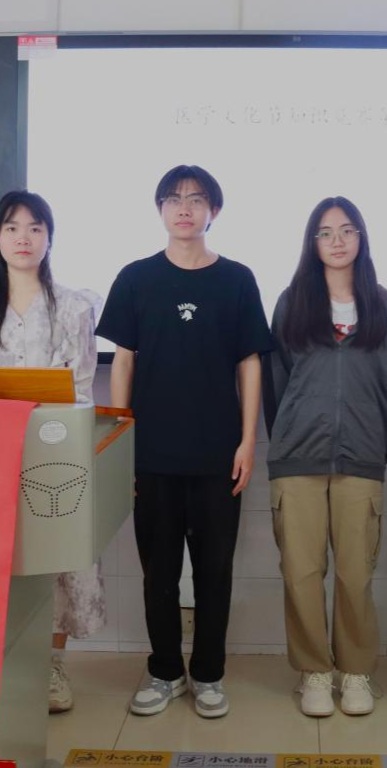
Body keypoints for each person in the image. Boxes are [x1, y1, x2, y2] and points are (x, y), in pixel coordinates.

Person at [97, 165, 272, 719]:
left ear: (213, 211)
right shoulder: (136, 278)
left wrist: (248, 440)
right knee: (159, 572)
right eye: (173, 199)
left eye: (196, 199)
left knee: (215, 570)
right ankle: (165, 670)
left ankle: (210, 674)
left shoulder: (237, 279)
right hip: (151, 454)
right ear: (160, 210)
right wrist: (121, 436)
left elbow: (249, 363)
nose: (185, 208)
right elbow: (123, 362)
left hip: (218, 453)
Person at [0, 190, 103, 714]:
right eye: (12, 227)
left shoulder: (74, 307)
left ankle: (52, 666)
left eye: (36, 228)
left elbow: (80, 389)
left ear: (49, 239)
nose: (24, 238)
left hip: (54, 455)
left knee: (55, 561)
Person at [262, 197, 387, 717]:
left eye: (347, 230)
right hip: (297, 458)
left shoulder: (386, 308)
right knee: (301, 573)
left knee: (355, 574)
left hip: (362, 459)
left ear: (362, 238)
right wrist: (289, 440)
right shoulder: (292, 304)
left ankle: (356, 671)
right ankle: (315, 672)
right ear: (312, 243)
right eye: (325, 232)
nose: (338, 241)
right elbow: (275, 386)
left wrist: (374, 451)